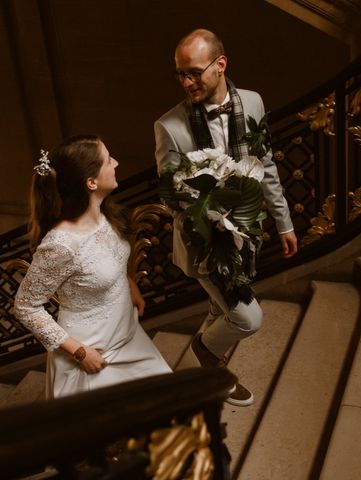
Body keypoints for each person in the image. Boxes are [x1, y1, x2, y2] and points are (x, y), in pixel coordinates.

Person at [154, 29, 298, 406]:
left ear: (220, 65)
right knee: (248, 318)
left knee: (221, 309)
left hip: (248, 232)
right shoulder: (169, 126)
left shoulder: (252, 102)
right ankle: (207, 353)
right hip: (205, 243)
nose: (187, 82)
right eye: (180, 74)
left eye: (195, 72)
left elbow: (264, 165)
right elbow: (170, 195)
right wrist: (209, 204)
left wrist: (284, 222)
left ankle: (209, 379)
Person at [14, 134, 171, 399]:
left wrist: (128, 283)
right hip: (93, 353)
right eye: (108, 160)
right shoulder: (61, 245)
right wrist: (80, 352)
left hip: (128, 335)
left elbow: (106, 260)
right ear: (91, 182)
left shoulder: (105, 213)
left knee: (168, 405)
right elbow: (25, 306)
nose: (116, 163)